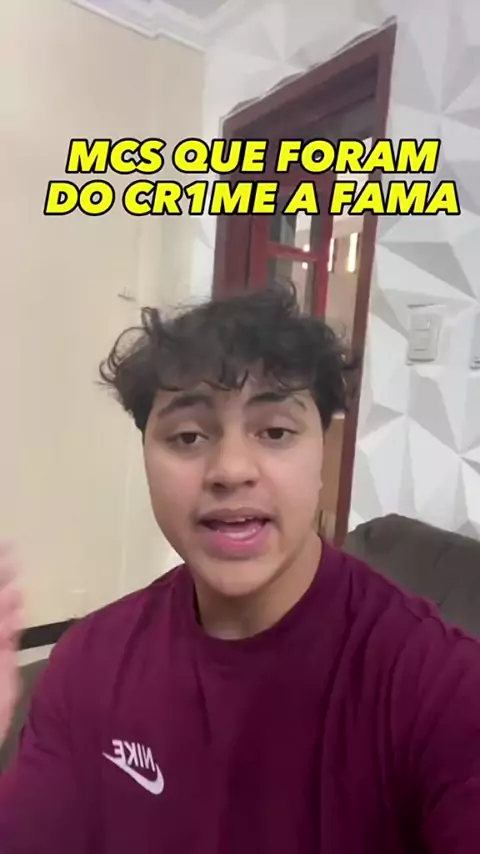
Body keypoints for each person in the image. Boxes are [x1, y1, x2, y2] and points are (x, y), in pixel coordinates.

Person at [0, 282, 480, 853]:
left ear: (323, 456)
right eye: (188, 436)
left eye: (275, 432)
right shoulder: (89, 661)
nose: (230, 469)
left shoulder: (442, 689)